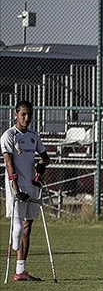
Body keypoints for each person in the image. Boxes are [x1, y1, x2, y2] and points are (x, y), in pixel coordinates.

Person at [2, 100, 51, 281]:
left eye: (29, 114)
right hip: (17, 186)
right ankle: (14, 262)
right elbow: (8, 164)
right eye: (23, 114)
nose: (26, 118)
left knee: (27, 227)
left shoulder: (33, 135)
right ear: (16, 114)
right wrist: (15, 190)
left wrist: (40, 166)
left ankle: (20, 271)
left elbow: (46, 158)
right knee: (17, 229)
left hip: (32, 185)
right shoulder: (9, 135)